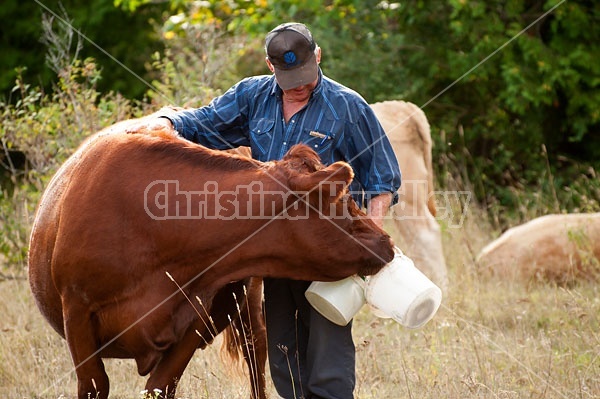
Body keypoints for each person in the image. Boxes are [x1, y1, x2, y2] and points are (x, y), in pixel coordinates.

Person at [137, 22, 401, 399]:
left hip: (330, 249)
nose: (300, 84)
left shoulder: (348, 106)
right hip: (275, 250)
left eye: (306, 74)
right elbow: (203, 124)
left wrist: (365, 242)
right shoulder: (252, 97)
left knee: (327, 358)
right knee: (283, 351)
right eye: (289, 77)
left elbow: (383, 178)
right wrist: (163, 122)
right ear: (270, 66)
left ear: (319, 56)